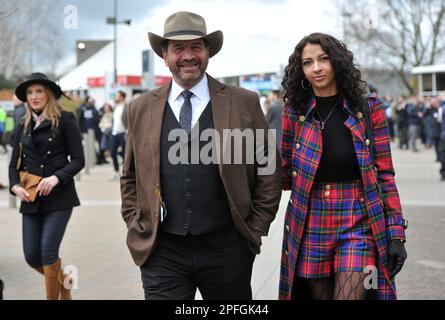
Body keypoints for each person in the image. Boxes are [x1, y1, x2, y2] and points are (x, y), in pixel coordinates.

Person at [120, 11, 282, 300]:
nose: (188, 55)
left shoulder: (243, 101)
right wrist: (135, 219)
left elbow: (268, 165)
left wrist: (256, 225)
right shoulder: (140, 108)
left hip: (227, 249)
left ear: (208, 52)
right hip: (162, 252)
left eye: (196, 46)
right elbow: (129, 174)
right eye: (178, 48)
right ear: (165, 55)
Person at [279, 33, 407, 300]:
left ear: (337, 62)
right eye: (308, 62)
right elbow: (284, 171)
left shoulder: (368, 109)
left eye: (323, 59)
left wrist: (396, 233)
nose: (316, 68)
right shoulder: (295, 113)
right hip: (310, 218)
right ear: (300, 70)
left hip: (358, 218)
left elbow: (385, 175)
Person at [8, 73, 85, 300]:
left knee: (48, 253)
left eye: (38, 91)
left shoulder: (65, 118)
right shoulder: (23, 123)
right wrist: (14, 186)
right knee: (32, 256)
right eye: (30, 93)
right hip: (31, 197)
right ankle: (66, 283)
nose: (34, 97)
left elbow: (79, 160)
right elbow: (14, 164)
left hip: (59, 197)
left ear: (48, 94)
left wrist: (56, 178)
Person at [110, 90, 127, 180]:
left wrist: (128, 129)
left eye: (117, 95)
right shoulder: (115, 106)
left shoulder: (127, 106)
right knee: (112, 152)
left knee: (125, 153)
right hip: (114, 132)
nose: (115, 97)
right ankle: (116, 172)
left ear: (122, 97)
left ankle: (125, 172)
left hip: (123, 133)